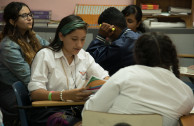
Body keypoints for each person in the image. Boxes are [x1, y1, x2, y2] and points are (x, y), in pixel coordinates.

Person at [83, 32, 194, 126]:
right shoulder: (186, 93)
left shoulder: (126, 74)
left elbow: (88, 113)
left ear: (136, 54)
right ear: (172, 56)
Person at [28, 15, 109, 125]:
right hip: (49, 111)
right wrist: (65, 95)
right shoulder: (45, 56)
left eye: (83, 39)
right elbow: (35, 93)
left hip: (78, 109)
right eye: (74, 39)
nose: (79, 45)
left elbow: (105, 78)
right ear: (61, 36)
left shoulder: (84, 56)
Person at [0, 2, 49, 125]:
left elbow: (50, 50)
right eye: (24, 15)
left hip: (29, 85)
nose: (29, 18)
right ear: (12, 21)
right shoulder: (8, 46)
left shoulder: (31, 37)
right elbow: (27, 77)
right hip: (14, 93)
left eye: (30, 14)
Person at [86, 7, 140, 76]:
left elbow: (90, 61)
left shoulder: (121, 45)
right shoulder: (137, 36)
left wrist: (101, 36)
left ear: (112, 28)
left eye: (102, 27)